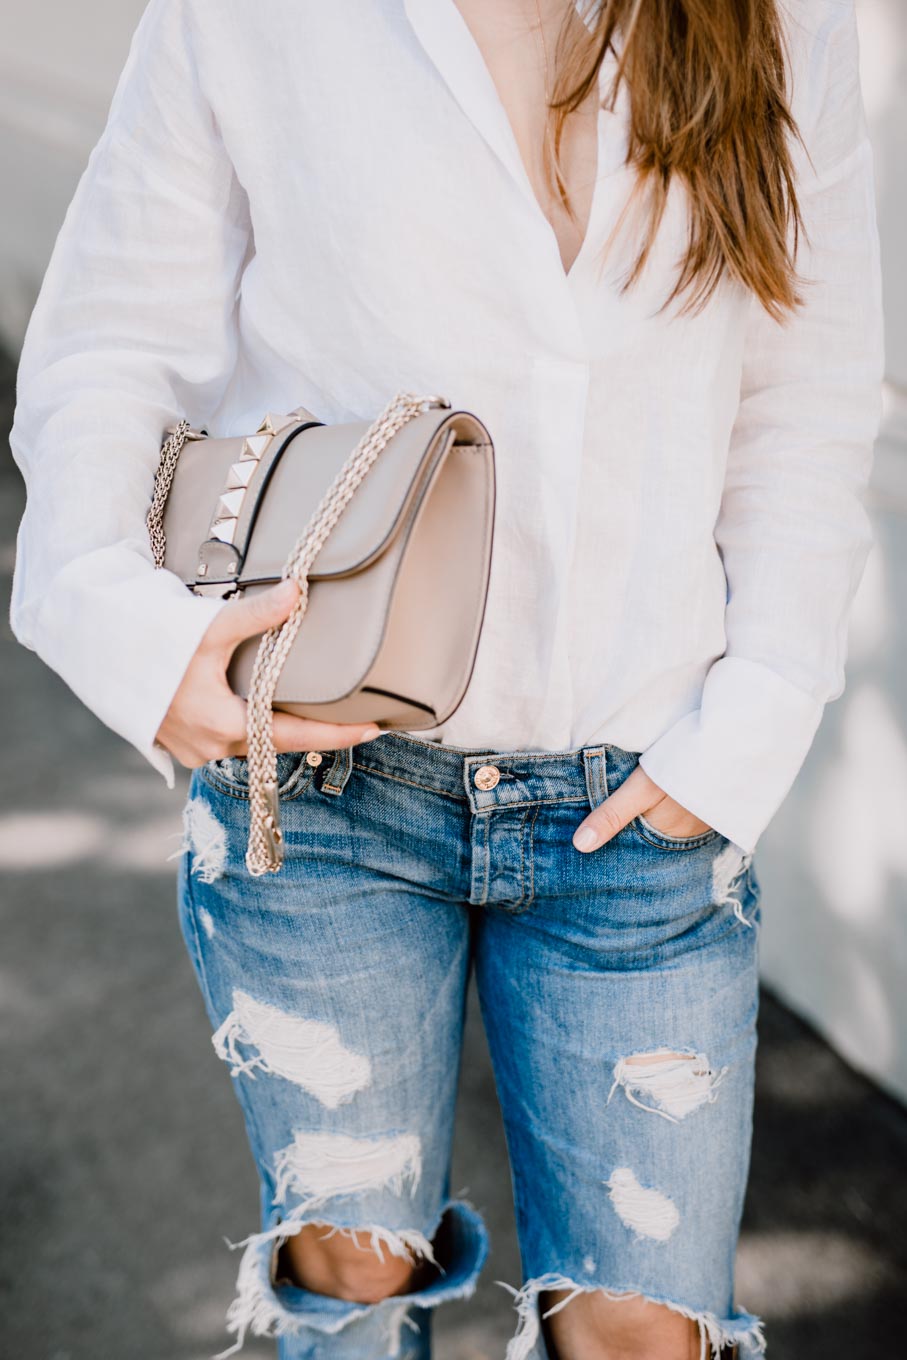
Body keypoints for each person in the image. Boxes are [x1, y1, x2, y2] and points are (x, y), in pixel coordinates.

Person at [8, 1, 883, 1358]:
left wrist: (750, 723)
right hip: (319, 794)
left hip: (639, 810)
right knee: (354, 1289)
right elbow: (108, 347)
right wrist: (139, 641)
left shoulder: (783, 22)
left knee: (643, 1335)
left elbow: (807, 401)